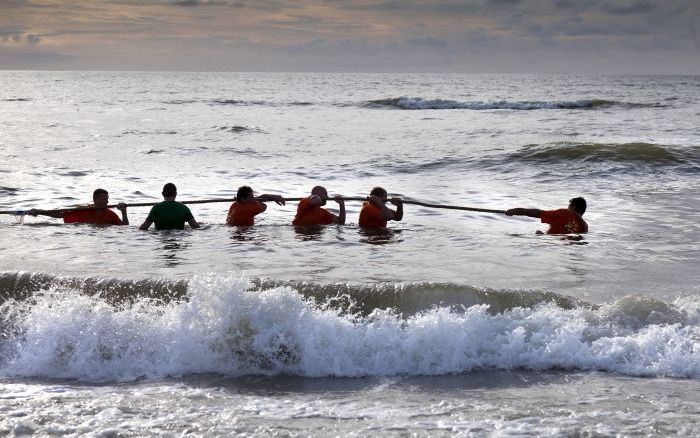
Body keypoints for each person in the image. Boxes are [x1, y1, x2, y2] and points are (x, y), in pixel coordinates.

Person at [27, 188, 128, 225]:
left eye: (107, 199)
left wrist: (124, 212)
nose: (107, 202)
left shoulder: (110, 214)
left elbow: (124, 227)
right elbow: (60, 214)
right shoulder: (84, 210)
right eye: (104, 199)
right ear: (95, 199)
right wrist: (40, 212)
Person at [505, 197, 588, 234]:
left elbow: (537, 213)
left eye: (569, 206)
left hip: (552, 243)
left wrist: (516, 211)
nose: (567, 208)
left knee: (538, 233)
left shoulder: (564, 213)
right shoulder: (585, 226)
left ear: (573, 207)